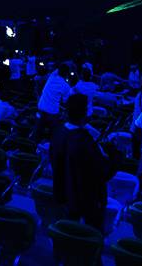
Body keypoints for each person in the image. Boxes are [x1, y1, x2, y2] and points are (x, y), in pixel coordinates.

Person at [49, 94, 115, 233]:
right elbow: (102, 173)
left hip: (61, 191)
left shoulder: (58, 132)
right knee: (91, 236)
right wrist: (115, 157)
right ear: (85, 113)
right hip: (85, 198)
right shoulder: (84, 141)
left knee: (67, 233)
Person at [34, 63, 72, 141]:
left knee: (38, 129)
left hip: (41, 106)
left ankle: (35, 144)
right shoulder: (66, 86)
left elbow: (57, 70)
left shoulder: (52, 77)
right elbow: (65, 101)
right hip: (52, 112)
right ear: (67, 74)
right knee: (52, 132)